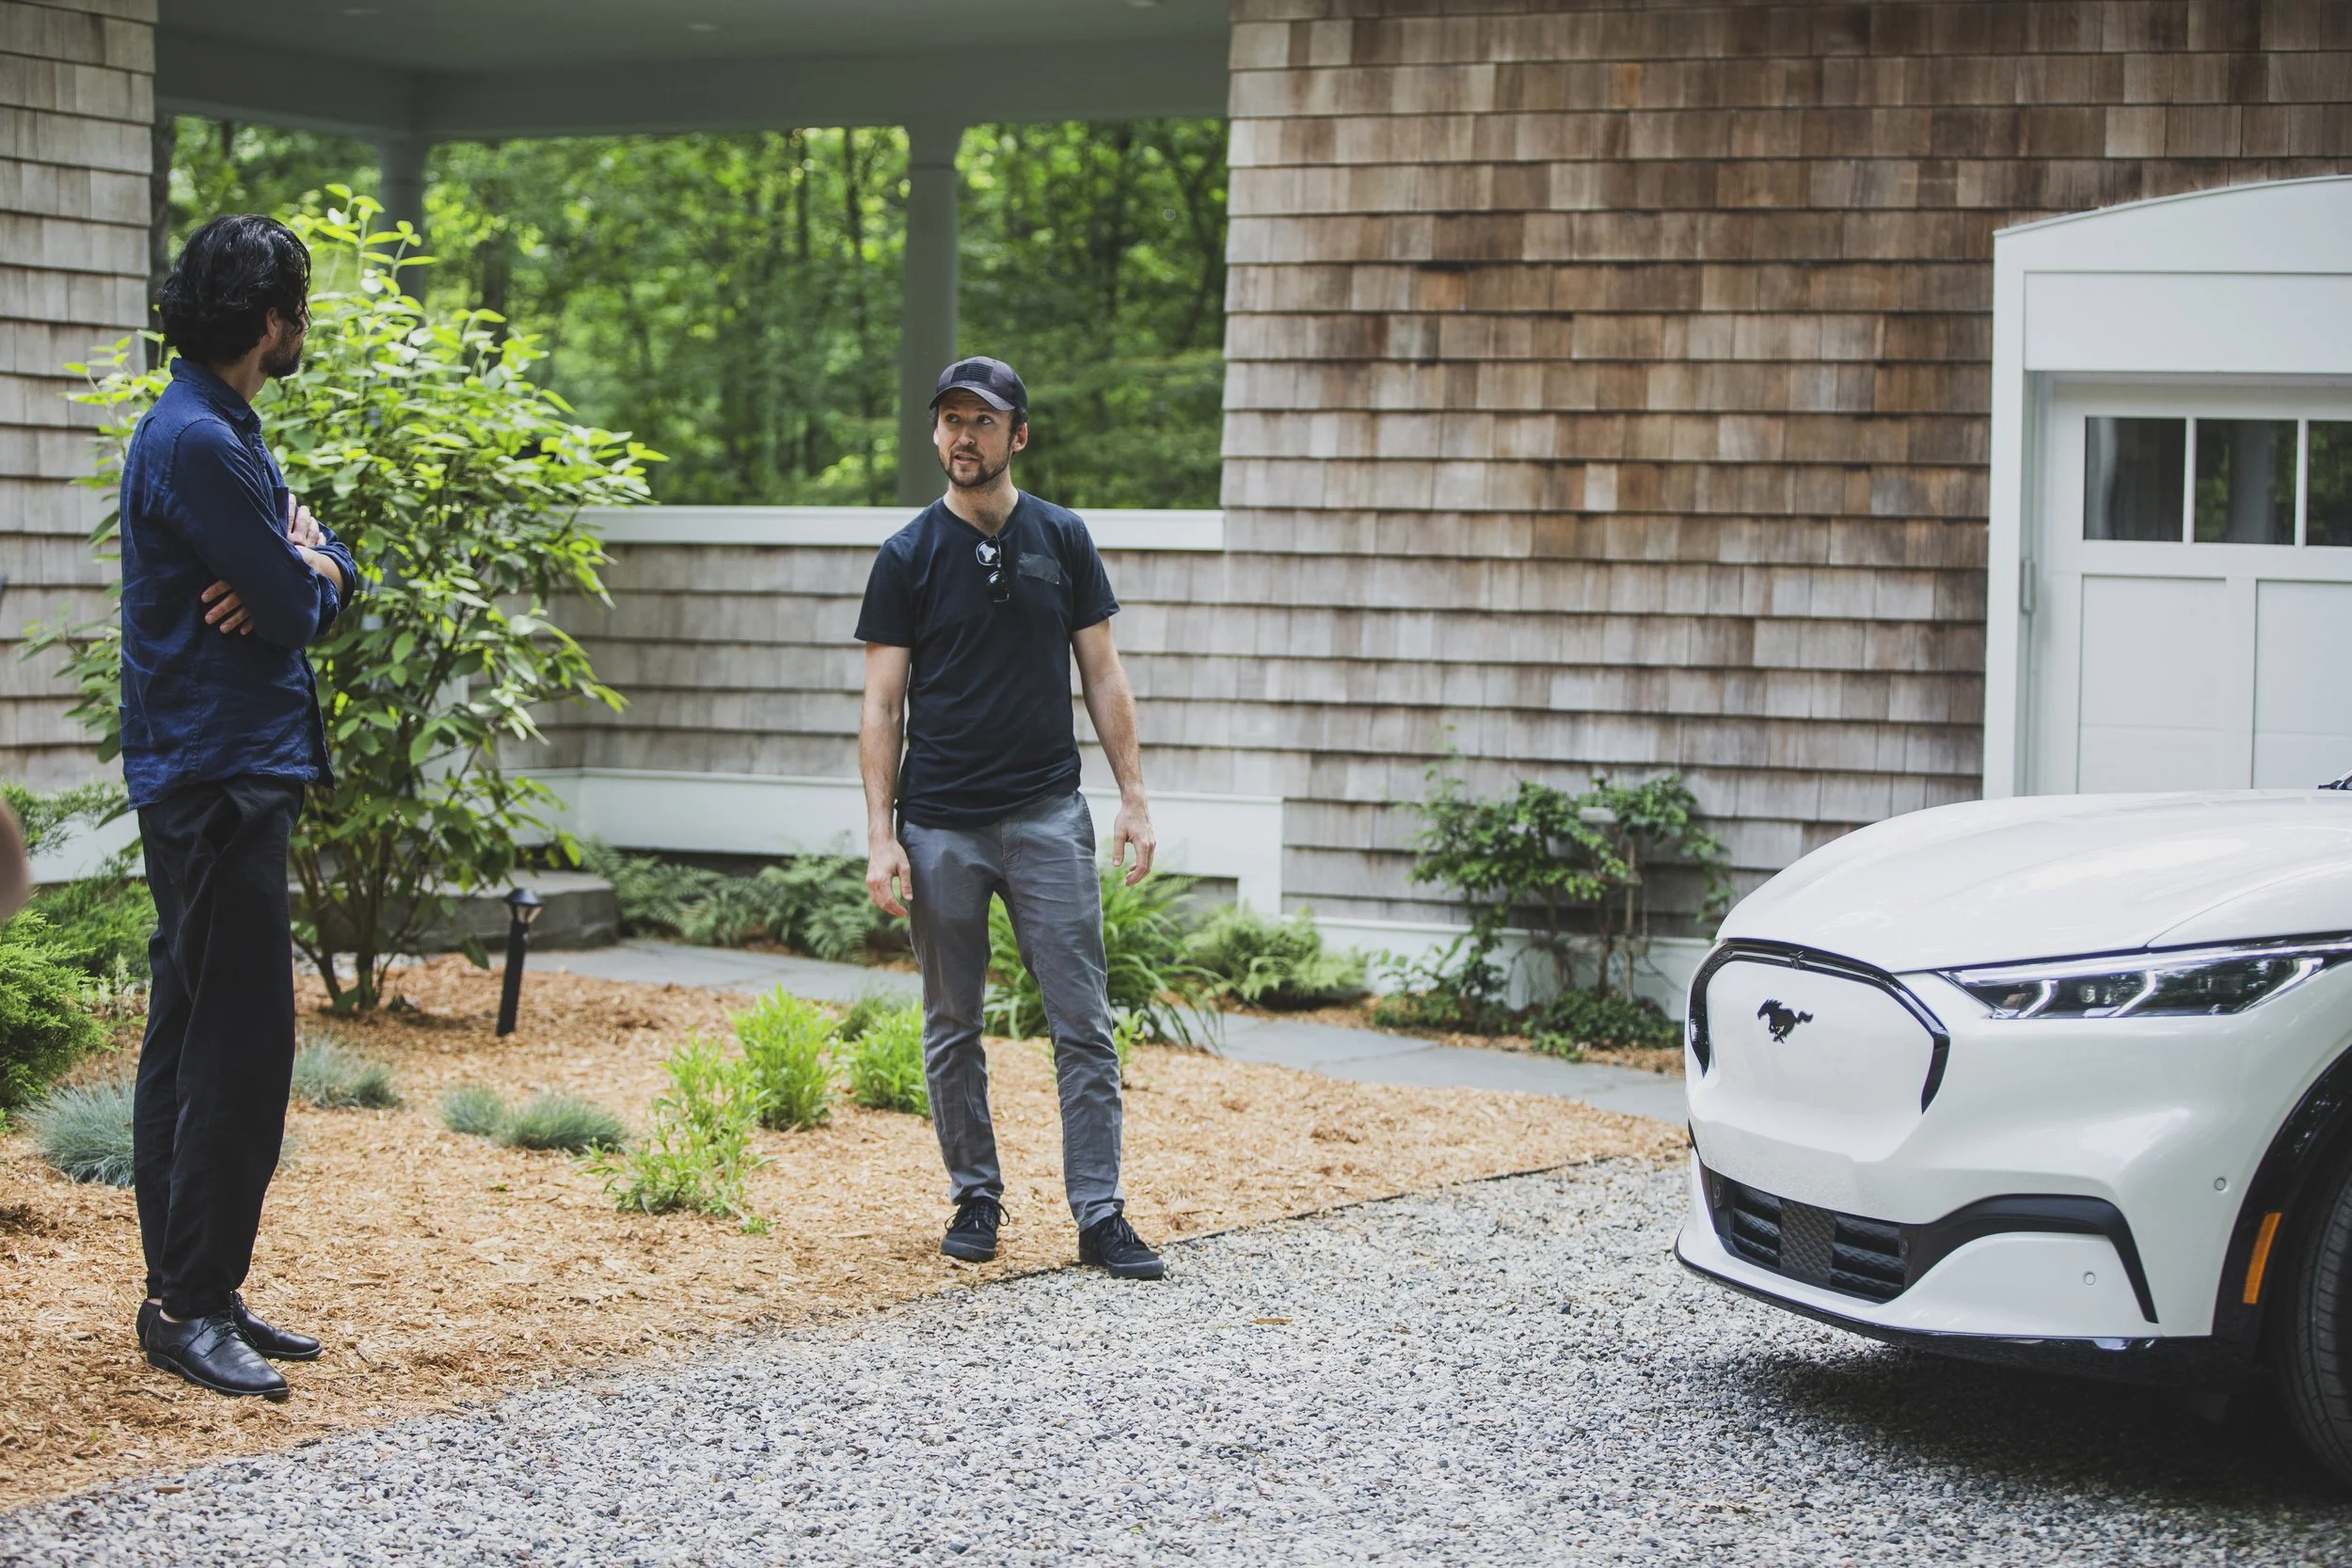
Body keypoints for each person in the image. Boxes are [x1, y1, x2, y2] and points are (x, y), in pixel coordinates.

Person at [857, 356, 1168, 1280]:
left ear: (1017, 435)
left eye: (981, 421)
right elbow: (881, 706)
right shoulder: (906, 555)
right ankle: (976, 1194)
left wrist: (1134, 796)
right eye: (948, 419)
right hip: (940, 826)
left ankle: (1099, 1211)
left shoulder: (1062, 538)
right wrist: (882, 834)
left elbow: (1102, 672)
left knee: (1082, 1020)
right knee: (952, 1020)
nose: (962, 435)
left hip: (1045, 817)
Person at [122, 214, 358, 1401]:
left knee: (190, 1025)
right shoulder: (204, 442)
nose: (300, 327)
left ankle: (188, 1286)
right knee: (237, 1041)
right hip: (218, 776)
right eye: (297, 308)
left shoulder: (209, 428)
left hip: (211, 769)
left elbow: (306, 577)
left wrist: (315, 563)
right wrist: (307, 570)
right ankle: (191, 1300)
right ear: (268, 321)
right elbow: (288, 599)